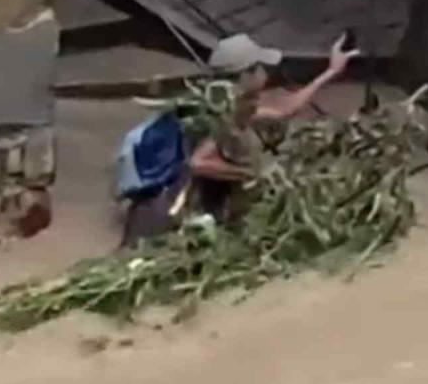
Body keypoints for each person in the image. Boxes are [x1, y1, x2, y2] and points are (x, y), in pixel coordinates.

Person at [118, 33, 359, 248]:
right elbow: (198, 162)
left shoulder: (232, 100)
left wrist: (331, 71)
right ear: (247, 74)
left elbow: (282, 111)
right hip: (170, 216)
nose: (266, 72)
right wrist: (251, 173)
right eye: (260, 67)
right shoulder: (224, 111)